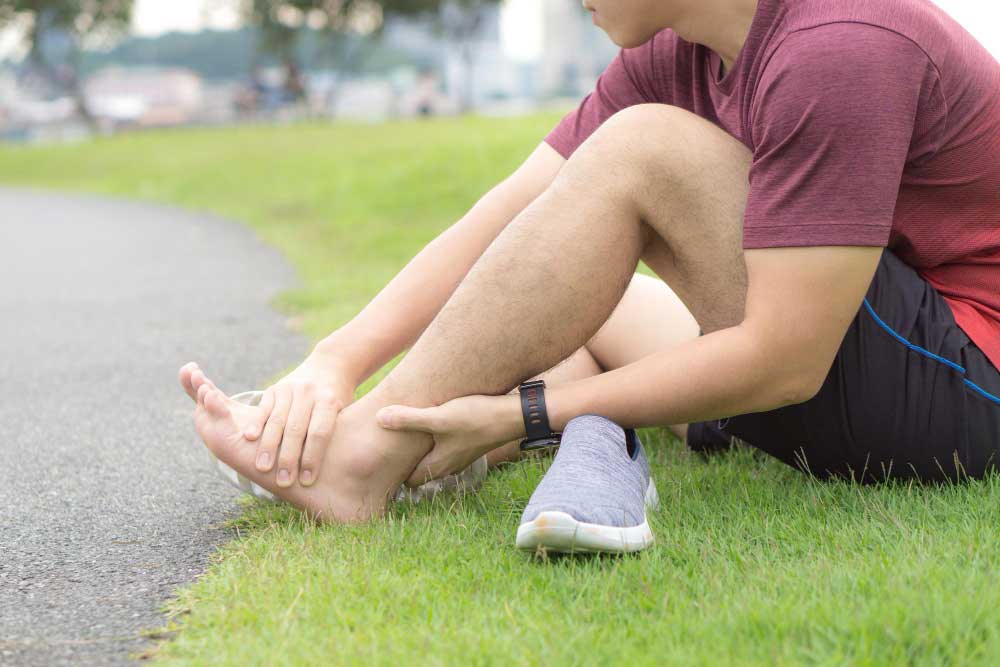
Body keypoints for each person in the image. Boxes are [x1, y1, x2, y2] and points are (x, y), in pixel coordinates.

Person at [179, 0, 1000, 540]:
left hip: (966, 389)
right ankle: (408, 452)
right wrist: (339, 357)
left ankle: (361, 462)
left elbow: (787, 360)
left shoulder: (840, 46)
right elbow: (507, 221)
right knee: (573, 301)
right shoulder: (678, 52)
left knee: (645, 150)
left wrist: (528, 413)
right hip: (857, 343)